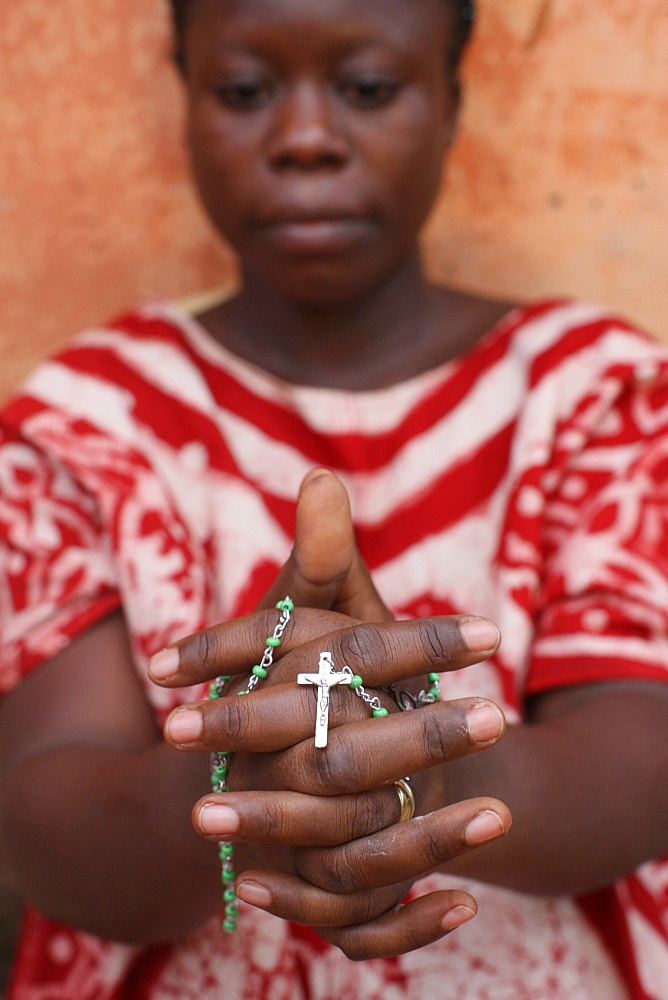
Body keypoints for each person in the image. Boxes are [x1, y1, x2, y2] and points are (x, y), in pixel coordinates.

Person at [0, 0, 668, 997]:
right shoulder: (83, 426)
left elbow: (639, 762)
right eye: (242, 91)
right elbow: (49, 824)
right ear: (183, 98)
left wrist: (421, 769)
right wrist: (243, 777)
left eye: (365, 88)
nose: (304, 139)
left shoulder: (593, 393)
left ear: (451, 103)